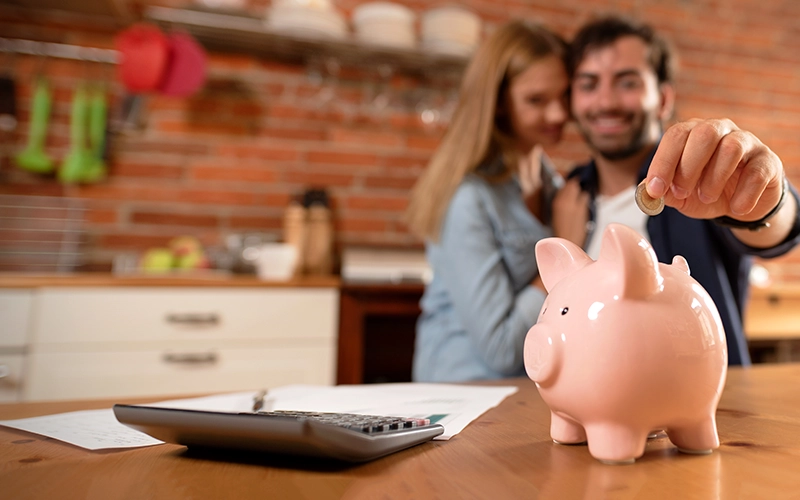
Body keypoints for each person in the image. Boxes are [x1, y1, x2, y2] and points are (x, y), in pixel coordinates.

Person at [556, 15, 800, 366]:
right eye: (589, 84)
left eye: (627, 83)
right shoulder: (565, 193)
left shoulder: (699, 175)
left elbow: (777, 229)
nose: (606, 101)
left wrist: (766, 203)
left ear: (664, 98)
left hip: (697, 403)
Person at [405, 20, 577, 382]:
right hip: (462, 399)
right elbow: (501, 349)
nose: (560, 114)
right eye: (537, 100)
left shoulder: (554, 186)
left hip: (522, 393)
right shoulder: (468, 198)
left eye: (565, 96)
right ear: (498, 104)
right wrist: (567, 249)